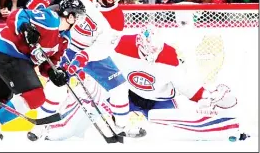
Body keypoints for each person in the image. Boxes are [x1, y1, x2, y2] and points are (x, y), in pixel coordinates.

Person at [0, 0, 144, 141]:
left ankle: (121, 126)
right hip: (68, 47)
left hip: (91, 54)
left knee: (119, 87)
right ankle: (41, 126)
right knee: (55, 88)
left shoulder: (117, 19)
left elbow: (104, 46)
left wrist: (84, 57)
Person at [28, 25, 239, 141]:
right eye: (147, 50)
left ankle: (226, 127)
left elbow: (188, 87)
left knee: (166, 136)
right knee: (94, 103)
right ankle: (54, 129)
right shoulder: (121, 44)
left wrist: (207, 97)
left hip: (159, 100)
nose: (150, 55)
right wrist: (78, 62)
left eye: (154, 51)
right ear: (139, 42)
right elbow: (95, 51)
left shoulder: (170, 58)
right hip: (129, 96)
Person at [0, 0, 86, 144]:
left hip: (2, 56)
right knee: (36, 96)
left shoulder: (65, 39)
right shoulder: (51, 18)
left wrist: (53, 73)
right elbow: (18, 15)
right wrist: (25, 27)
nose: (80, 21)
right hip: (10, 53)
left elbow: (49, 62)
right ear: (70, 15)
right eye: (78, 16)